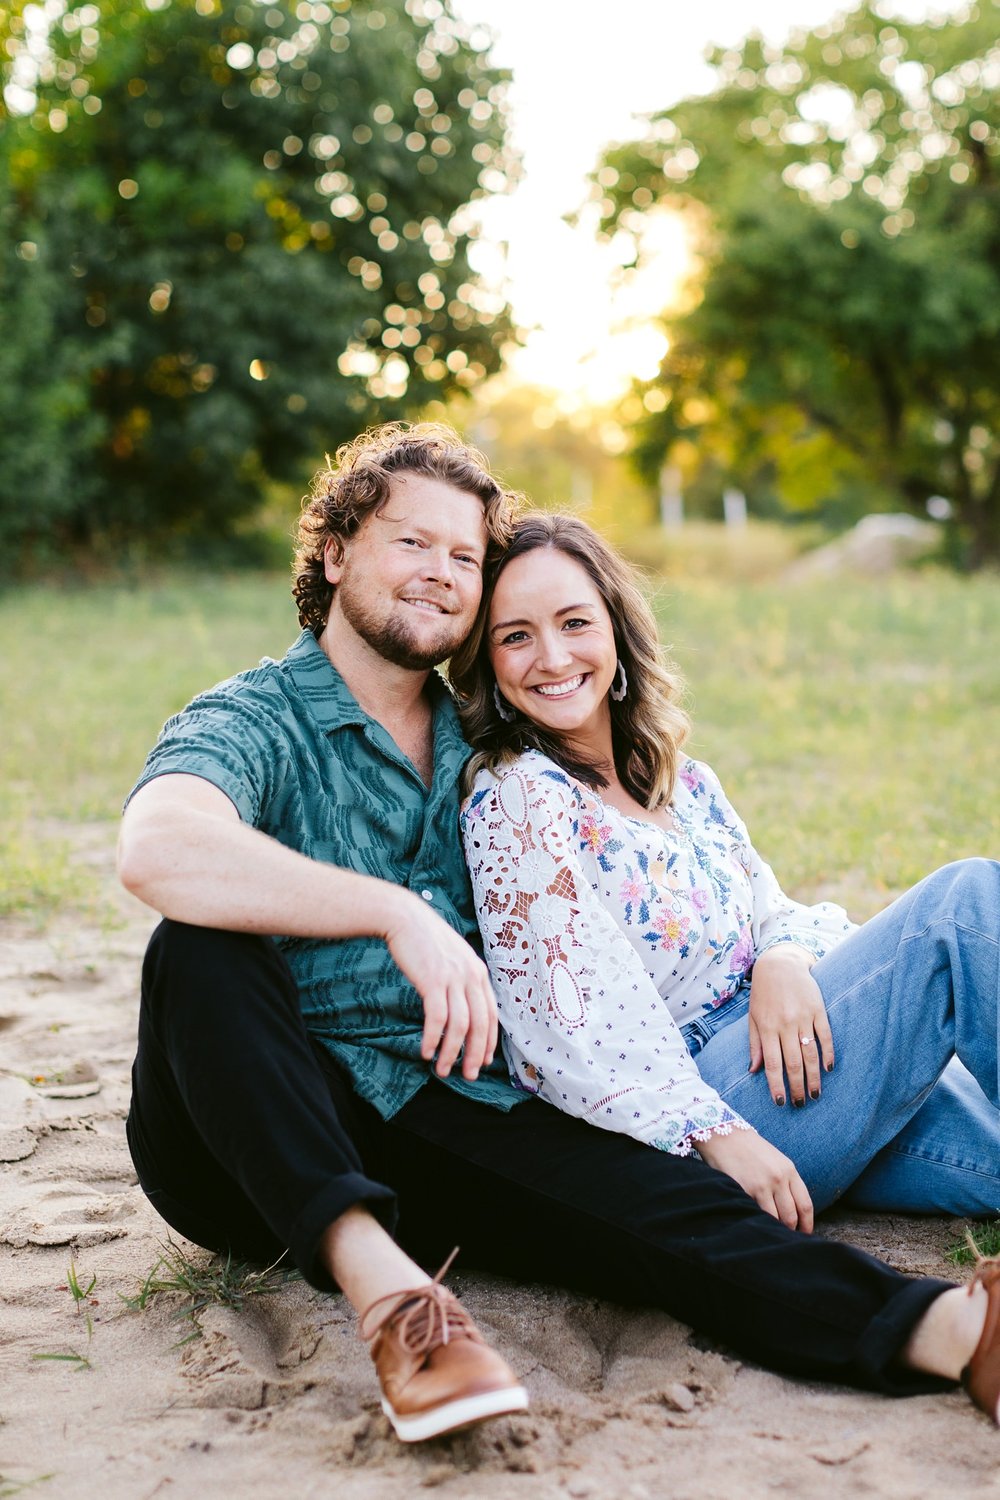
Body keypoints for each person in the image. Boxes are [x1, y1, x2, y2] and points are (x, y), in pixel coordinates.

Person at [119, 424, 1000, 1448]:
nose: (442, 574)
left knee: (664, 1208)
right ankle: (394, 1301)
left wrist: (780, 956)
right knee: (200, 942)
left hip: (438, 1108)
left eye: (462, 556)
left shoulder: (483, 744)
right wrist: (392, 909)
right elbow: (159, 847)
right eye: (413, 543)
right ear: (333, 550)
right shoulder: (257, 721)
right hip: (249, 1130)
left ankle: (953, 1330)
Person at [451, 510, 1000, 1236]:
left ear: (616, 627)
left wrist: (782, 956)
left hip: (807, 1062)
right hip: (712, 1104)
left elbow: (775, 906)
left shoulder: (684, 784)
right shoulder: (519, 798)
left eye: (574, 622)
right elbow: (564, 1023)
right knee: (962, 906)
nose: (551, 657)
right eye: (515, 636)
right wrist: (718, 1132)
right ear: (489, 665)